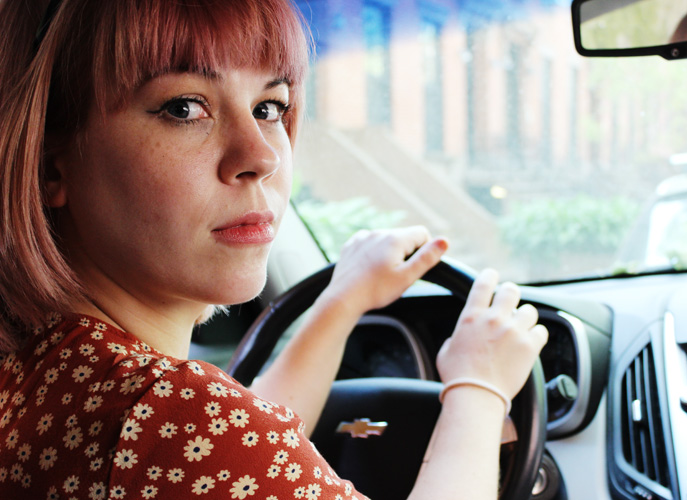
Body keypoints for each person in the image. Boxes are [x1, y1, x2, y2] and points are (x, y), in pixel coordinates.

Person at [0, 0, 548, 498]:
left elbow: (233, 444)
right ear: (50, 163)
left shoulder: (54, 374)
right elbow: (215, 437)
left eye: (269, 107)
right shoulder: (168, 420)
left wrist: (341, 303)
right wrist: (480, 387)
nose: (261, 154)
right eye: (184, 108)